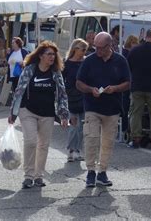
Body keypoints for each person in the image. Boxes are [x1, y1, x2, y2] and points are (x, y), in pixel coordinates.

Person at [8, 41, 70, 189]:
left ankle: (38, 176)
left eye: (54, 55)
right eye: (49, 54)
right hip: (27, 110)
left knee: (43, 145)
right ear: (41, 55)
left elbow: (62, 95)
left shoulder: (56, 73)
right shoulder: (30, 70)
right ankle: (28, 175)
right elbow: (19, 91)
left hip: (47, 113)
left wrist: (64, 115)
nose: (52, 57)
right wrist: (13, 113)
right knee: (30, 141)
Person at [76, 32, 130, 187]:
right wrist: (90, 89)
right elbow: (79, 83)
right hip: (92, 106)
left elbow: (128, 83)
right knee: (91, 139)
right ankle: (91, 172)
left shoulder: (120, 61)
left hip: (112, 108)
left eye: (101, 48)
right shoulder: (89, 61)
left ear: (110, 45)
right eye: (96, 47)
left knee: (107, 142)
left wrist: (115, 88)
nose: (97, 51)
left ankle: (102, 172)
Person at [63, 39, 88, 162]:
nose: (84, 52)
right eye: (82, 49)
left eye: (85, 50)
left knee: (82, 126)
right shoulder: (67, 64)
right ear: (75, 49)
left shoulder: (86, 62)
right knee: (74, 125)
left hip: (84, 96)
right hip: (71, 97)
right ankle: (71, 150)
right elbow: (62, 81)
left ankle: (77, 149)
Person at [121, 35, 140, 135]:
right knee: (126, 106)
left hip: (128, 82)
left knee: (127, 106)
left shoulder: (126, 53)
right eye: (135, 43)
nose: (136, 45)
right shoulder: (127, 54)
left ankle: (125, 127)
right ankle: (124, 128)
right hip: (127, 82)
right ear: (131, 43)